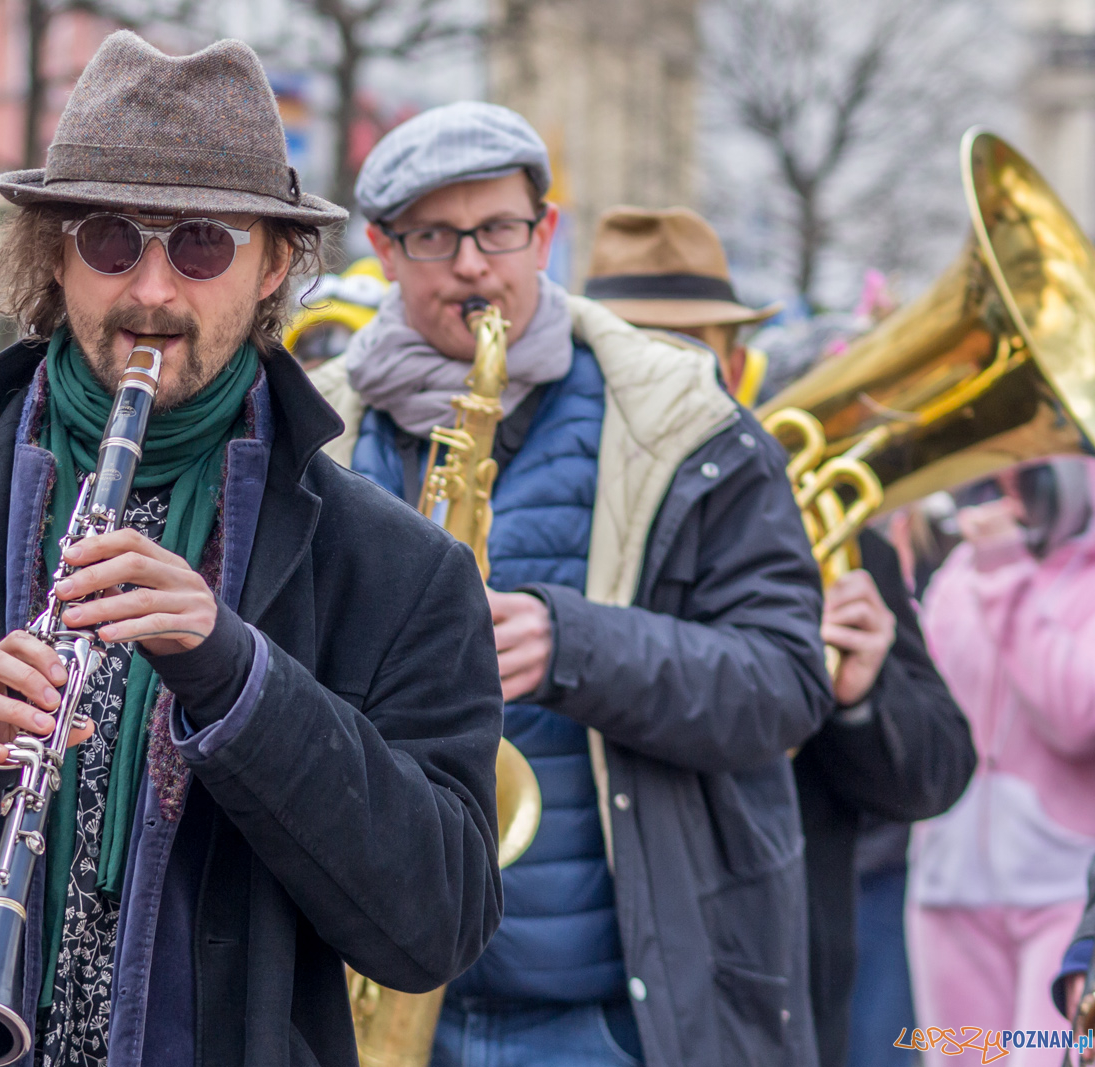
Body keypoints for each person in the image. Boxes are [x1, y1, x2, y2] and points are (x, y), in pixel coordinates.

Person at [0, 33, 506, 1067]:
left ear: (274, 261)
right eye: (107, 239)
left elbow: (438, 923)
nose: (150, 290)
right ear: (54, 252)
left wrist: (240, 680)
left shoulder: (396, 569)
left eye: (199, 244)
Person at [344, 104, 835, 1067]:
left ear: (547, 233)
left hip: (607, 1017)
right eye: (435, 237)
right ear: (383, 249)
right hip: (370, 996)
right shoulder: (313, 430)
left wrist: (572, 644)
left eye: (499, 231)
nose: (475, 266)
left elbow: (786, 684)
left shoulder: (688, 421)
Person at [581, 205, 978, 1067]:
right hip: (591, 992)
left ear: (734, 362)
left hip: (781, 992)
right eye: (637, 345)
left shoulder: (826, 524)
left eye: (692, 351)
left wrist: (865, 695)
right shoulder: (541, 511)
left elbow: (937, 773)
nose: (664, 374)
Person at [909, 457, 1095, 1066]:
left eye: (1031, 464)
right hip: (948, 885)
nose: (1011, 478)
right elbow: (928, 702)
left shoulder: (1005, 567)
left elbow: (1074, 713)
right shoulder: (963, 569)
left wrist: (1007, 573)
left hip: (1060, 893)